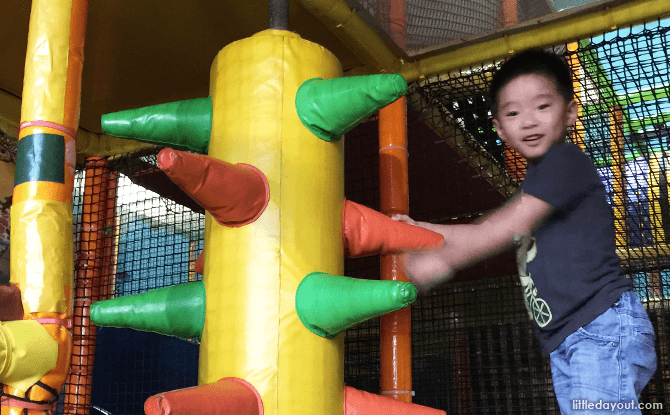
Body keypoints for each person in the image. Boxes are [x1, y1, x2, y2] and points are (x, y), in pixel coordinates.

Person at [394, 49, 657, 414]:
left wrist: (444, 257)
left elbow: (503, 228)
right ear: (500, 128)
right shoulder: (535, 186)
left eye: (542, 107)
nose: (528, 121)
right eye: (513, 113)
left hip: (599, 327)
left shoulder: (564, 162)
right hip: (570, 338)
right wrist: (422, 231)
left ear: (569, 112)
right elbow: (494, 226)